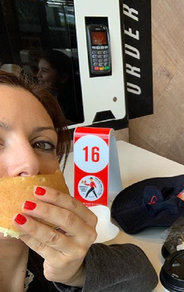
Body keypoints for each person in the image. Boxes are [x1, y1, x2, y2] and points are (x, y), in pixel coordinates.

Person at [0, 70, 158, 291]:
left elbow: (142, 275)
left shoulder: (46, 251)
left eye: (42, 144)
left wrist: (75, 272)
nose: (30, 163)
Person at [36, 50, 81, 123]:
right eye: (38, 70)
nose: (38, 75)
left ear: (63, 77)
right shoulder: (41, 97)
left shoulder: (73, 104)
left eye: (44, 71)